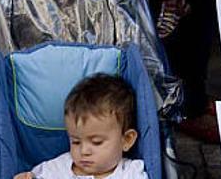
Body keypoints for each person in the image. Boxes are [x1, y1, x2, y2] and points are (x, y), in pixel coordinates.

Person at [13, 74, 146, 179]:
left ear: (127, 139)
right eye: (75, 142)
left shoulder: (131, 172)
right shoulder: (56, 168)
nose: (84, 151)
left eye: (96, 142)